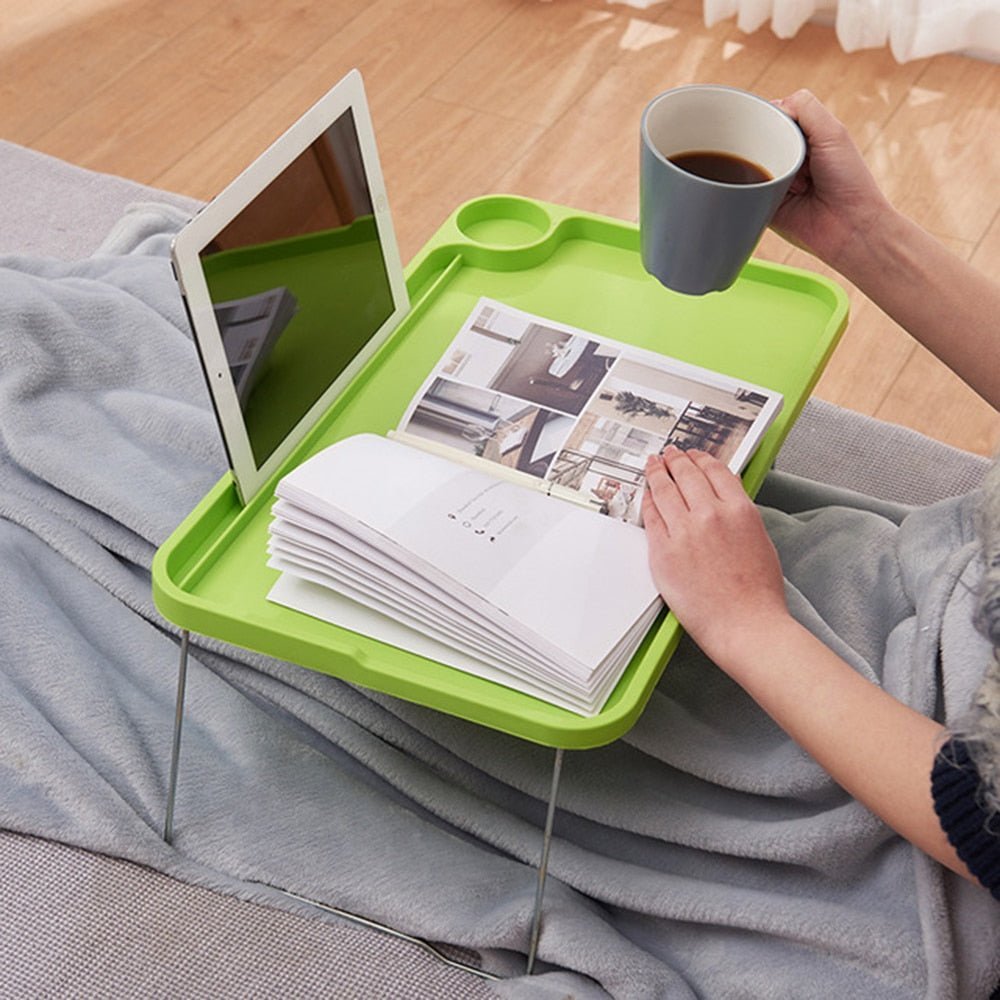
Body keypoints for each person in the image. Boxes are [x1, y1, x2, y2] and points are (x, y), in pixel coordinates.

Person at [642, 90, 1000, 899]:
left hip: (924, 758)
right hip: (945, 595)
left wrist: (747, 624)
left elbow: (986, 817)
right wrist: (861, 232)